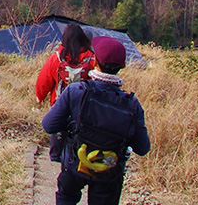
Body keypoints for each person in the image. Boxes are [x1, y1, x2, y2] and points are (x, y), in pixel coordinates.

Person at [42, 36, 150, 205]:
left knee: (66, 196)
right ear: (122, 67)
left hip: (74, 166)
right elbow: (143, 148)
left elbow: (49, 125)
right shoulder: (132, 105)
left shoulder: (76, 91)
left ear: (95, 62)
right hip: (109, 172)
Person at [36, 22, 97, 106]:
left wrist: (40, 97)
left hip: (59, 105)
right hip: (84, 107)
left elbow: (43, 82)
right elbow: (98, 84)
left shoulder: (56, 58)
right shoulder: (92, 60)